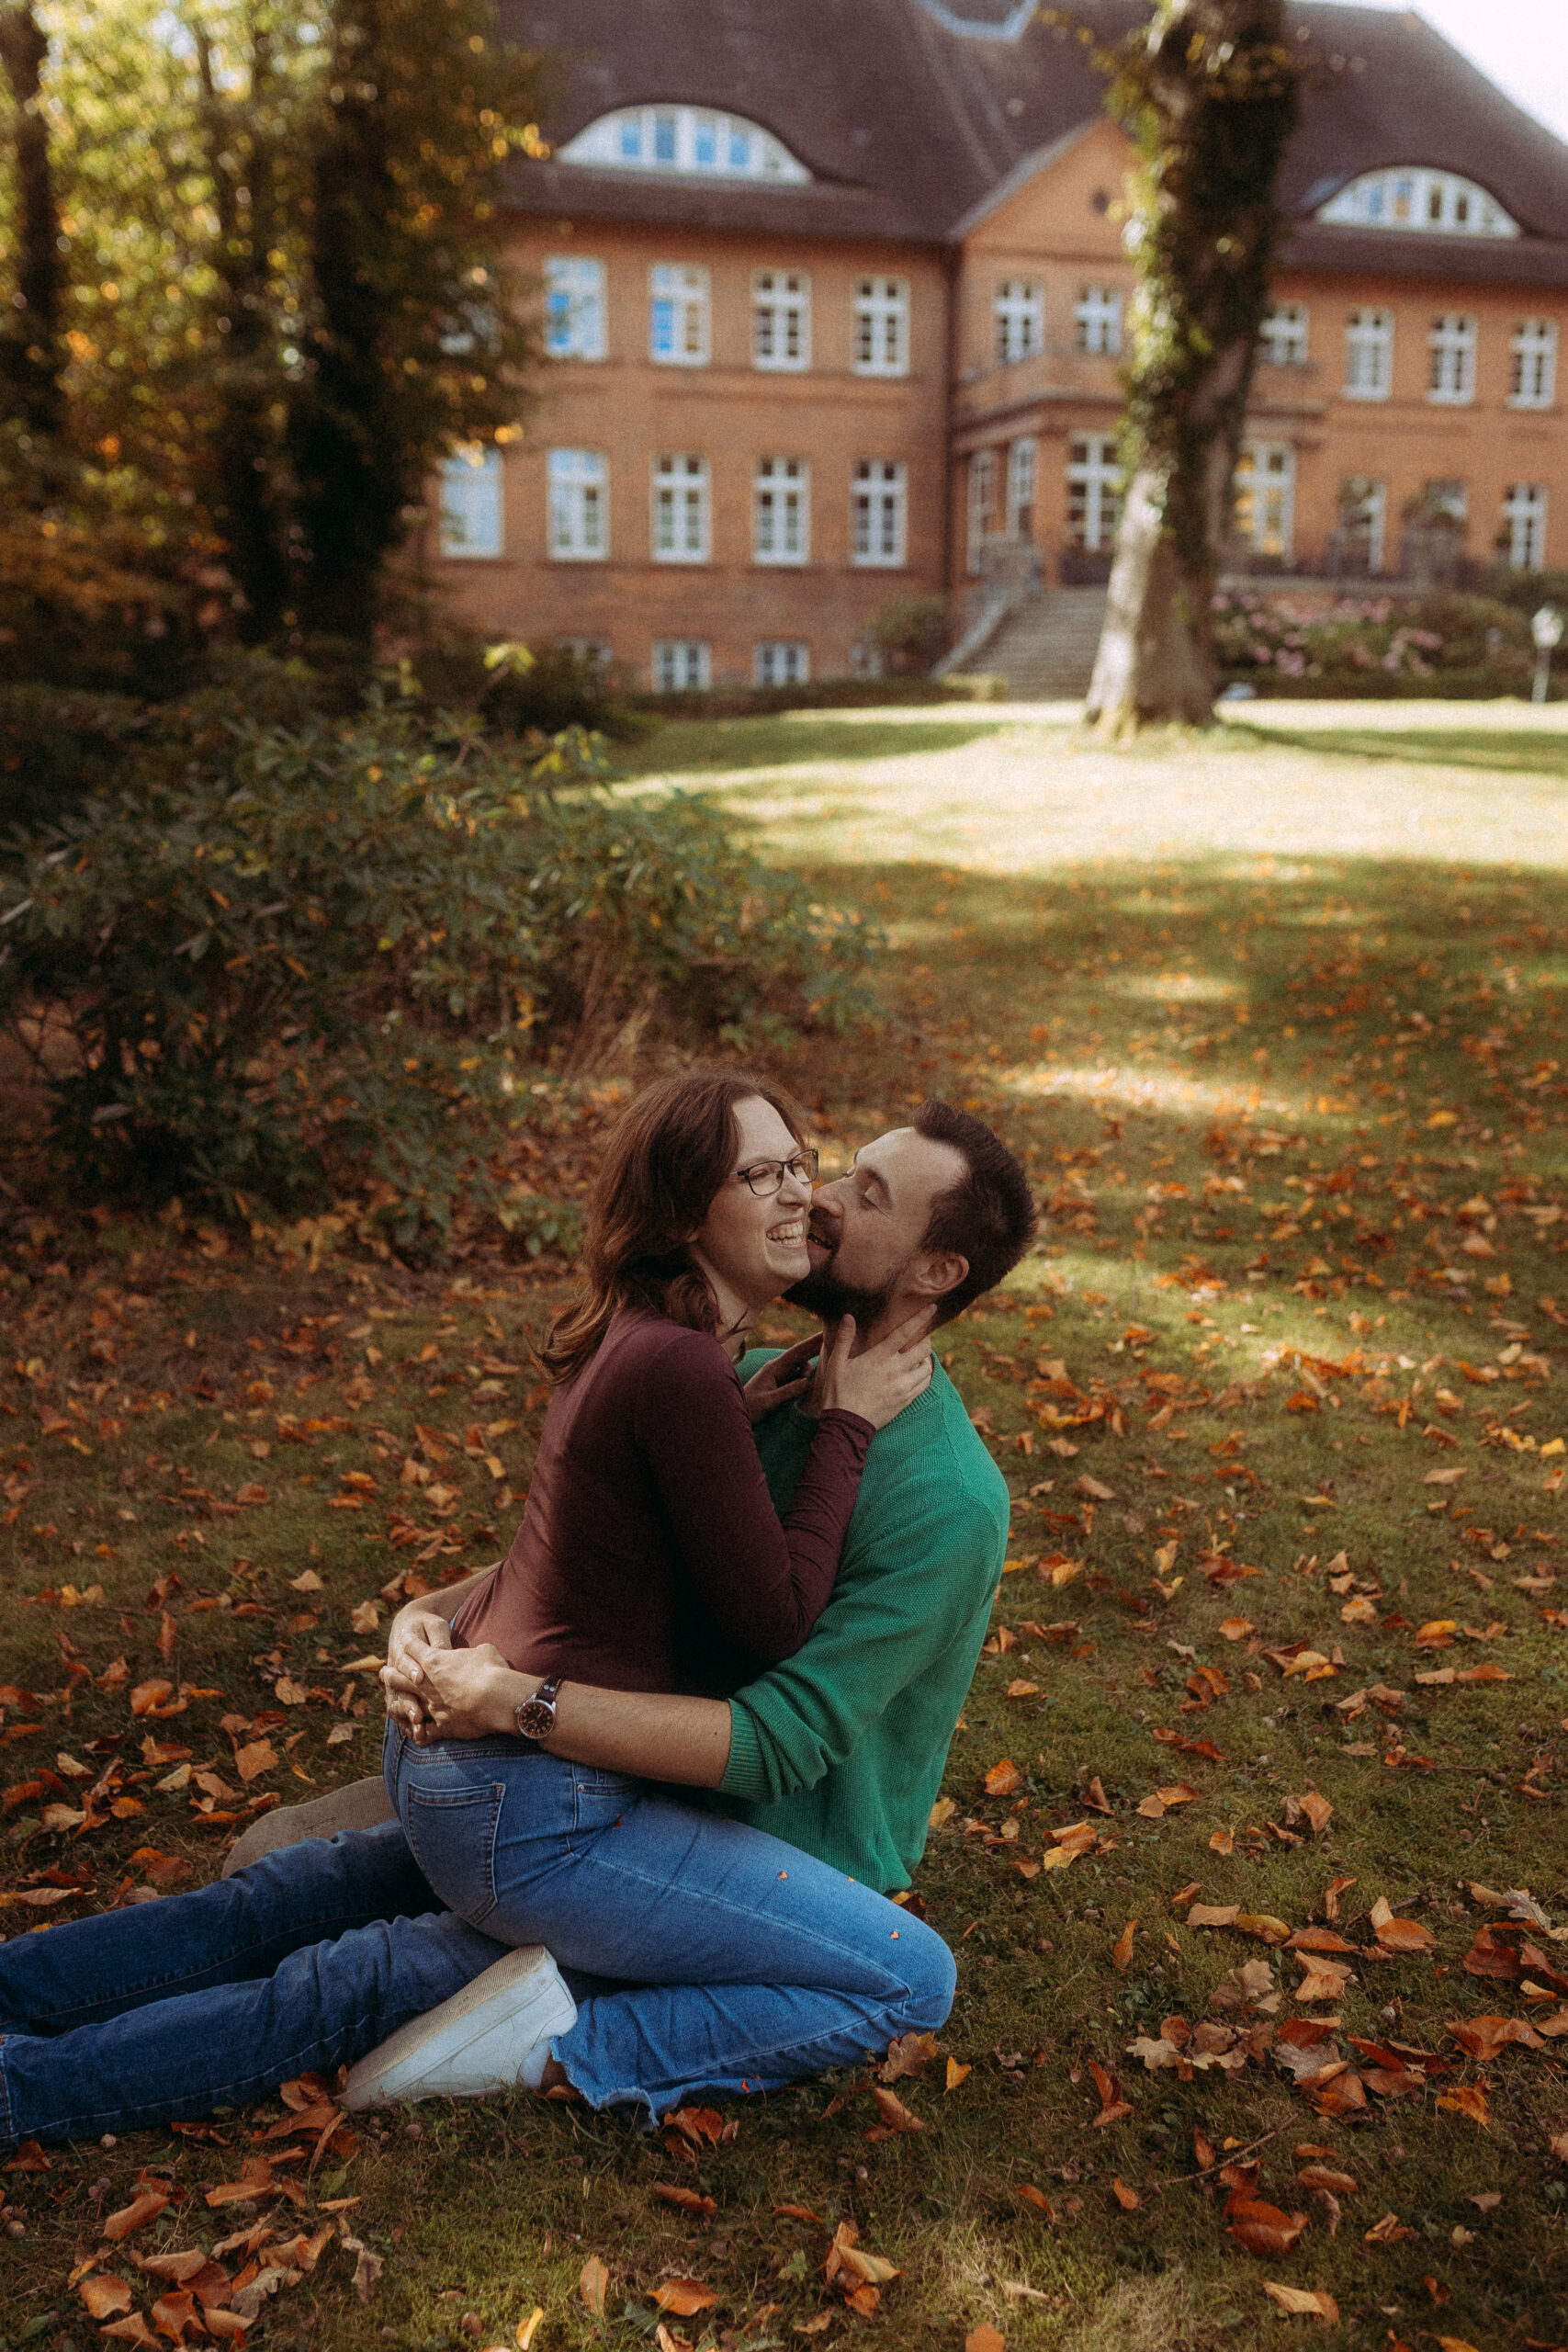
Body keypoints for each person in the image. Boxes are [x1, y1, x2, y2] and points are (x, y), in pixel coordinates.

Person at [0, 1101, 1034, 2146]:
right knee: (299, 1894)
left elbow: (777, 1743)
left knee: (376, 1967)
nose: (818, 1198)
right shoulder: (760, 1378)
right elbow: (607, 1550)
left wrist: (512, 1700)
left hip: (751, 1843)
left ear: (938, 1271)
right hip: (598, 1792)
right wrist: (427, 1614)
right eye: (831, 1172)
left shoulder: (944, 1498)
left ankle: (557, 2051)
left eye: (864, 1194)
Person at [366, 1069, 934, 2095]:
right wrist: (844, 1427)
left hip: (465, 1758)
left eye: (798, 1163)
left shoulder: (661, 1341)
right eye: (759, 1174)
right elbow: (773, 1622)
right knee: (909, 1981)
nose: (801, 1192)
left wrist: (419, 1613)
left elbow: (593, 1533)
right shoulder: (679, 1365)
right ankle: (550, 2059)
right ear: (680, 1214)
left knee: (294, 1920)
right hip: (530, 1799)